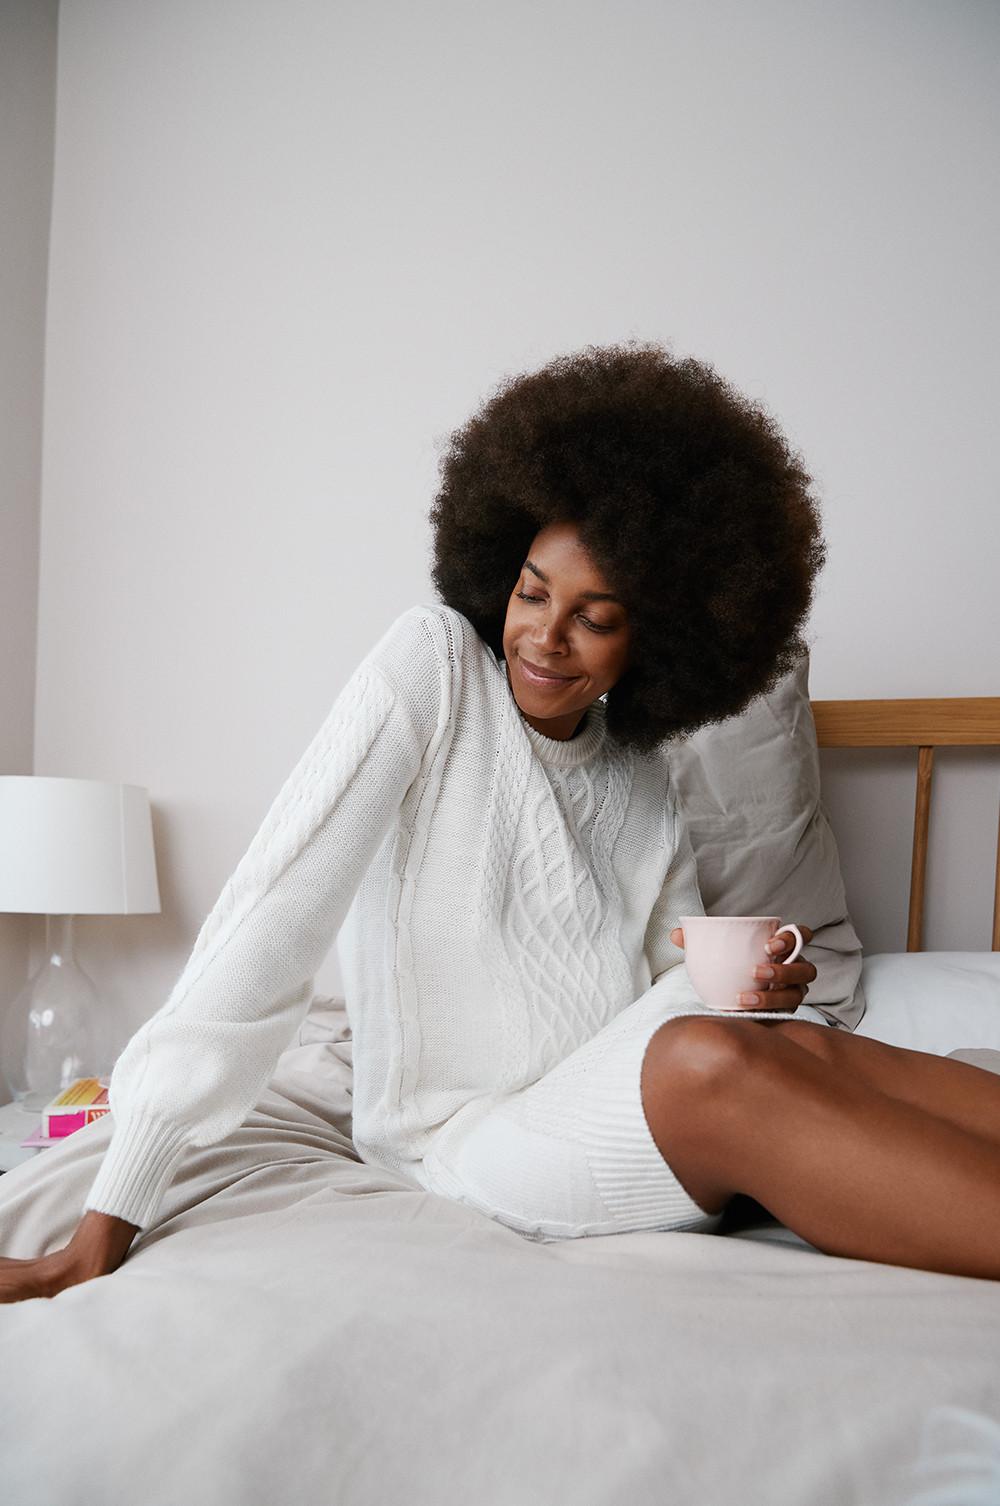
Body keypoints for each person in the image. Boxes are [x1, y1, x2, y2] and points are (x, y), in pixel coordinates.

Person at [2, 341, 998, 1301]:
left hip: (604, 1086)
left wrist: (739, 974)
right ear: (499, 569)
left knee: (801, 1043)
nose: (545, 637)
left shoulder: (640, 769)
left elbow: (662, 978)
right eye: (532, 593)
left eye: (594, 618)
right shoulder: (430, 666)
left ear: (651, 641)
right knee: (716, 1060)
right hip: (465, 1138)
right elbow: (270, 919)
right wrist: (105, 1218)